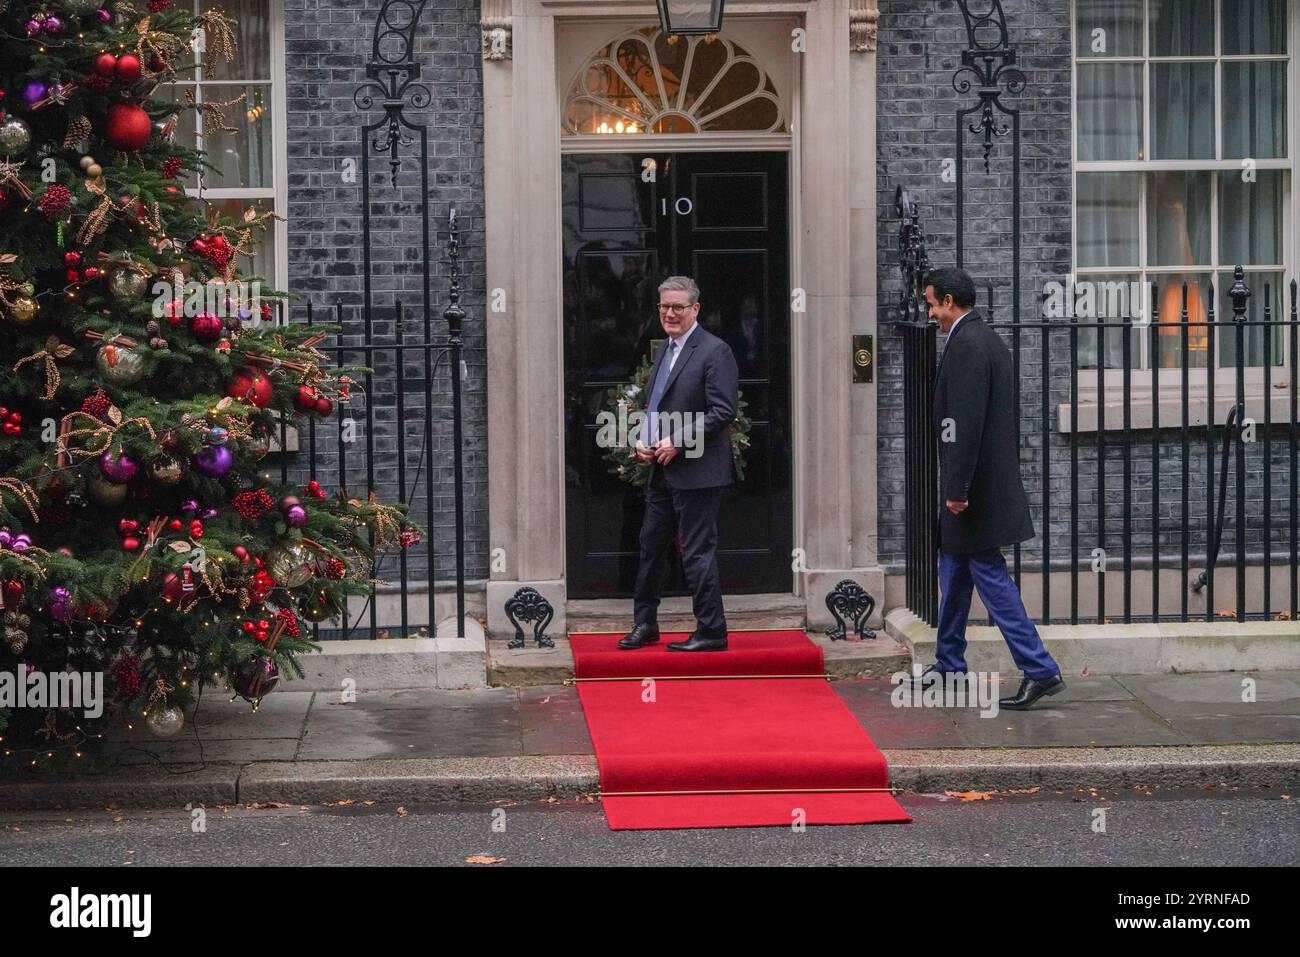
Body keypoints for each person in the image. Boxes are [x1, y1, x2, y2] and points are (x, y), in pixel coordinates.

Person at [912, 267, 1066, 710]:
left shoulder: (967, 345)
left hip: (973, 491)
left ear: (948, 301)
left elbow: (964, 425)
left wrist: (957, 488)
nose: (930, 312)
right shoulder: (986, 340)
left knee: (990, 577)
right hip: (979, 486)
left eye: (931, 303)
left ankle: (1040, 669)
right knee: (954, 573)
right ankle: (949, 663)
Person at [618, 276, 740, 652]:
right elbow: (656, 406)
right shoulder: (666, 350)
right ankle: (645, 624)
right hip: (662, 469)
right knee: (650, 546)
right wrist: (643, 439)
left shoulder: (715, 351)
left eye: (678, 307)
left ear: (695, 309)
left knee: (696, 550)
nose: (670, 314)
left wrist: (678, 442)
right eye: (664, 307)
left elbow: (723, 411)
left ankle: (712, 631)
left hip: (700, 473)